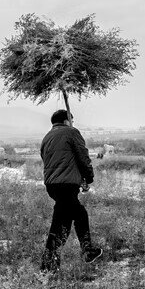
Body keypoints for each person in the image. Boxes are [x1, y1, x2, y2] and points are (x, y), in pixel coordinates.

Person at [39, 109, 102, 272]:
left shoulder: (47, 137)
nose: (73, 123)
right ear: (67, 121)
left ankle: (49, 265)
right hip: (67, 185)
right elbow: (82, 156)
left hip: (52, 185)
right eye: (72, 120)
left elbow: (49, 160)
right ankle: (87, 251)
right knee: (80, 215)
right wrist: (88, 177)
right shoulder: (72, 132)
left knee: (62, 222)